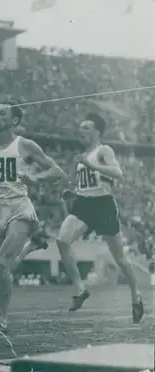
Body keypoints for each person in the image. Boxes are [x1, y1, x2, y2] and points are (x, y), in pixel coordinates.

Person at [0, 101, 67, 334]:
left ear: (14, 120)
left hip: (19, 209)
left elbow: (57, 171)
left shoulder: (24, 145)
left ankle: (1, 320)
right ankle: (28, 249)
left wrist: (35, 179)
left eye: (2, 113)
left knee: (4, 263)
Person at [56, 113, 144, 323]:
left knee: (120, 258)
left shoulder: (103, 150)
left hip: (103, 205)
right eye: (80, 127)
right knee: (62, 240)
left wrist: (91, 164)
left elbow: (118, 173)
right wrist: (73, 192)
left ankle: (136, 295)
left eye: (86, 127)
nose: (81, 131)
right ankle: (80, 288)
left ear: (97, 132)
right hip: (84, 204)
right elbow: (90, 181)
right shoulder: (82, 156)